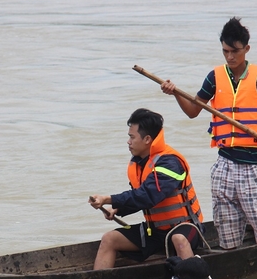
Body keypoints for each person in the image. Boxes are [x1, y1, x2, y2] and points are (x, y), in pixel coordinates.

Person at [161, 17, 257, 250]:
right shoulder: (214, 77)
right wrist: (176, 92)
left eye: (235, 51)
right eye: (225, 51)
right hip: (224, 165)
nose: (230, 57)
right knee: (227, 236)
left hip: (254, 168)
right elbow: (193, 111)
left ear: (246, 49)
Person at [88, 108, 205, 270]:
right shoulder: (139, 164)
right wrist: (117, 208)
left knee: (178, 239)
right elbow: (137, 198)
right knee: (109, 239)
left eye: (132, 137)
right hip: (155, 231)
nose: (128, 142)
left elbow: (148, 196)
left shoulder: (170, 162)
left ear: (147, 139)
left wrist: (108, 199)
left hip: (185, 228)